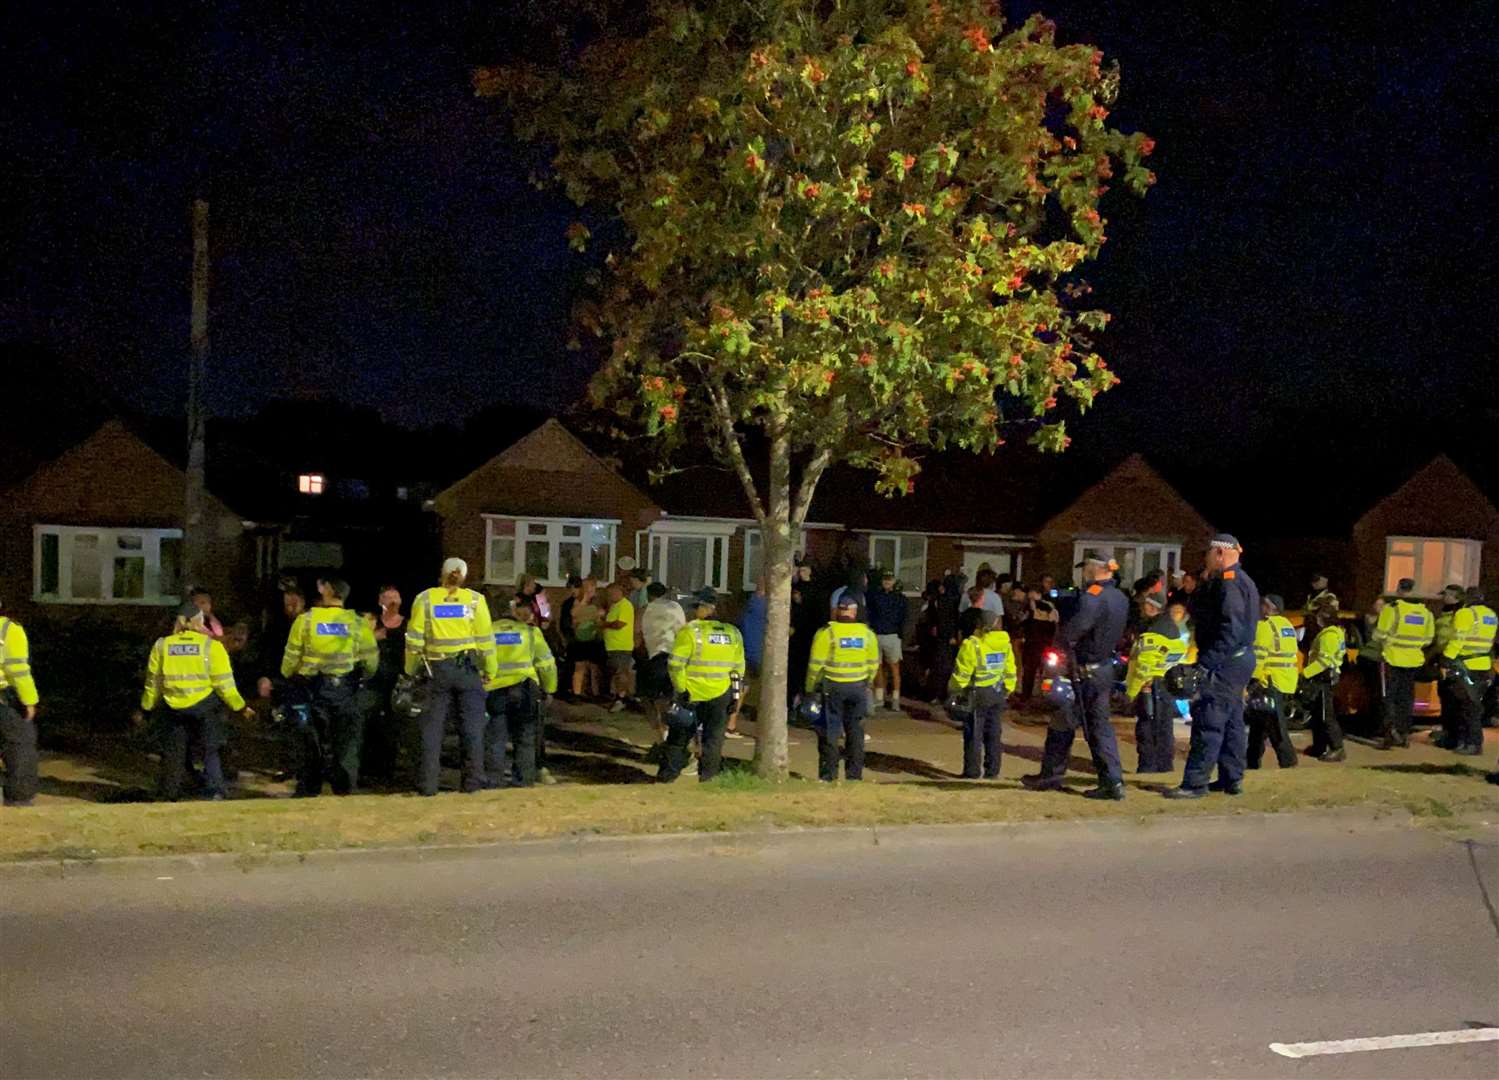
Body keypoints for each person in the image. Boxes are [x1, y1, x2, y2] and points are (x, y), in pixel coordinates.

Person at [1024, 553, 1130, 800]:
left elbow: (1076, 629)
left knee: (1070, 721)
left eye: (1086, 568)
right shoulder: (1120, 597)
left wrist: (1058, 645)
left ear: (1095, 568)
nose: (1083, 573)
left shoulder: (1093, 597)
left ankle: (1062, 776)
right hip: (1103, 668)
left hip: (1083, 670)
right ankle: (1109, 779)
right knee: (1095, 726)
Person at [1166, 535, 1260, 799]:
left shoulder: (1229, 584)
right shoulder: (1241, 581)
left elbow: (1230, 628)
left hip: (1225, 660)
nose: (1205, 558)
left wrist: (1206, 663)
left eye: (1208, 553)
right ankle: (1232, 778)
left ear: (1219, 553)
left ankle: (1194, 783)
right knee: (1231, 721)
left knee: (1209, 718)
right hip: (1239, 658)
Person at [136, 603, 254, 801]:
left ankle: (169, 793)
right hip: (204, 708)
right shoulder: (211, 647)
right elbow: (225, 686)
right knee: (210, 750)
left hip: (173, 708)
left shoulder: (162, 646)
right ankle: (215, 791)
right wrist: (241, 707)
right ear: (199, 622)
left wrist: (146, 709)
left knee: (173, 752)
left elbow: (153, 684)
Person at [405, 558, 498, 796]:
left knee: (432, 730)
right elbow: (486, 641)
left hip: (435, 670)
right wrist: (491, 670)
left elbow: (414, 641)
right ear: (464, 576)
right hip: (466, 669)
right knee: (472, 728)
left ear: (442, 573)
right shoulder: (476, 601)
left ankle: (428, 785)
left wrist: (410, 669)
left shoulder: (424, 599)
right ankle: (472, 783)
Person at [280, 577, 379, 797]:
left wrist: (289, 675)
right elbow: (370, 659)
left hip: (312, 688)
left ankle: (309, 786)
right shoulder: (356, 622)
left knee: (311, 739)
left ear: (327, 591)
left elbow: (291, 658)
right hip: (346, 687)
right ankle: (344, 787)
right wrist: (364, 676)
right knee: (346, 740)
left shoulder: (306, 621)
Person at [659, 589, 745, 783]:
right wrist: (735, 696)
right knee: (713, 740)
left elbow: (675, 664)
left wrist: (681, 689)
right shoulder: (733, 633)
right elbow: (738, 669)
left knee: (678, 739)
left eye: (697, 607)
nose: (695, 611)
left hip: (692, 694)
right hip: (721, 694)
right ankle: (708, 778)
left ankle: (667, 777)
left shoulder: (691, 631)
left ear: (708, 608)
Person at [484, 593, 558, 787]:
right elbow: (547, 664)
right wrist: (550, 689)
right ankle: (523, 781)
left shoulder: (487, 633)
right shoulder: (530, 633)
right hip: (525, 690)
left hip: (496, 692)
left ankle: (493, 780)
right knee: (525, 738)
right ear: (512, 611)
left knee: (495, 739)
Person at [806, 595, 880, 782]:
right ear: (855, 612)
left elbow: (815, 665)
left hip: (833, 688)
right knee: (856, 732)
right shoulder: (867, 634)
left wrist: (810, 688)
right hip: (858, 688)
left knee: (830, 731)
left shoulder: (827, 633)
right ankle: (854, 775)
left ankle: (828, 775)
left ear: (838, 610)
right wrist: (867, 681)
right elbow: (874, 663)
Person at [1123, 592, 1189, 774]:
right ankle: (1165, 766)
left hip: (1149, 687)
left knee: (1147, 729)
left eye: (1145, 605)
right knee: (1165, 728)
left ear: (1152, 607)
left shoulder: (1152, 632)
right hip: (1166, 686)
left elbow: (1144, 667)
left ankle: (1148, 767)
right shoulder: (1173, 629)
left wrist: (1131, 692)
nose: (1142, 608)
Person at [949, 608, 1017, 779]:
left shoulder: (972, 644)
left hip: (976, 693)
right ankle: (992, 771)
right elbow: (1010, 669)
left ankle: (972, 771)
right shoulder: (1004, 643)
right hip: (998, 692)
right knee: (994, 733)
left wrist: (955, 690)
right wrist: (1009, 688)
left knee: (974, 734)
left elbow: (962, 672)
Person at [1370, 577, 1434, 749]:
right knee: (1406, 698)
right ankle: (1403, 732)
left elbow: (1379, 635)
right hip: (1413, 660)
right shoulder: (1425, 613)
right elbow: (1428, 639)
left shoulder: (1392, 610)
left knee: (1389, 697)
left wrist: (1382, 637)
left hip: (1392, 658)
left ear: (1399, 589)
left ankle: (1390, 733)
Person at [1432, 586, 1497, 756]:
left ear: (1467, 599)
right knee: (1473, 705)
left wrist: (1446, 659)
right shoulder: (1491, 615)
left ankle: (1471, 743)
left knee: (1466, 706)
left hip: (1466, 665)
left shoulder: (1465, 614)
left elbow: (1457, 639)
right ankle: (1469, 741)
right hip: (1483, 665)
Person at [1246, 594, 1300, 770]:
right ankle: (1251, 761)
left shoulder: (1264, 626)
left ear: (1270, 608)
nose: (1260, 608)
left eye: (1262, 605)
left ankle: (1288, 760)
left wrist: (1252, 682)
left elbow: (1259, 657)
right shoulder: (1287, 625)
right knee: (1258, 722)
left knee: (1275, 725)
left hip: (1269, 681)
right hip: (1285, 680)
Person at [0, 604, 40, 808]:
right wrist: (29, 700)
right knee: (20, 745)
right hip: (4, 700)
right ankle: (19, 797)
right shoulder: (9, 630)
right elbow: (17, 670)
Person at [639, 582, 687, 746]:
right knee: (670, 698)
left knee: (648, 698)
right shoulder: (675, 607)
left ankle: (661, 736)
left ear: (649, 594)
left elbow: (637, 634)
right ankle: (670, 733)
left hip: (655, 657)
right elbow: (683, 630)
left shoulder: (645, 609)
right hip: (675, 657)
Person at [1301, 599, 1349, 761]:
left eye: (1318, 616)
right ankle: (1319, 746)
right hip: (1325, 678)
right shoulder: (1334, 633)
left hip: (1324, 678)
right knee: (1317, 714)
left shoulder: (1329, 635)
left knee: (1325, 715)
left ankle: (1337, 748)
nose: (1316, 619)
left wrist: (1305, 674)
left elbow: (1323, 662)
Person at [730, 580, 768, 738]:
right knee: (766, 690)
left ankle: (731, 722)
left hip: (744, 652)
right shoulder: (770, 607)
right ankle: (764, 726)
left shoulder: (746, 608)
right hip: (761, 653)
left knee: (741, 688)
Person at [867, 570, 909, 711]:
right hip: (877, 635)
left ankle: (895, 699)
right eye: (885, 579)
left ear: (894, 581)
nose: (887, 581)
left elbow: (903, 618)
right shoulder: (875, 596)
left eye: (889, 579)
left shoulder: (900, 598)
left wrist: (900, 635)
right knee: (877, 667)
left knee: (894, 668)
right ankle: (880, 698)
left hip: (892, 635)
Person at [561, 577, 604, 701]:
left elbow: (599, 616)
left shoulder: (595, 602)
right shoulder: (574, 603)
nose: (591, 591)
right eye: (588, 589)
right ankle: (577, 693)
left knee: (593, 666)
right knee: (579, 666)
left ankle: (594, 693)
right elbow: (575, 617)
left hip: (592, 637)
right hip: (578, 639)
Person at [1019, 584, 1060, 703]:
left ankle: (1035, 696)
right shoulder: (1030, 607)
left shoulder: (1044, 606)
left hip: (1039, 644)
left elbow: (1050, 622)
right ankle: (1029, 696)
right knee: (1031, 671)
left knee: (1037, 671)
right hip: (1036, 644)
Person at [601, 582, 636, 712]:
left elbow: (619, 624)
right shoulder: (614, 606)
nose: (610, 596)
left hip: (621, 646)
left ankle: (621, 699)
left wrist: (603, 624)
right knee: (616, 673)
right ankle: (619, 696)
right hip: (612, 646)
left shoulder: (625, 605)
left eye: (611, 593)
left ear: (619, 592)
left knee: (621, 673)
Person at [1355, 596, 1386, 733]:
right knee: (1368, 691)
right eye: (1377, 604)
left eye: (1382, 605)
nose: (1379, 607)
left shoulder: (1385, 622)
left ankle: (1376, 723)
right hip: (1364, 657)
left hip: (1378, 659)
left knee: (1377, 693)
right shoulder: (1362, 620)